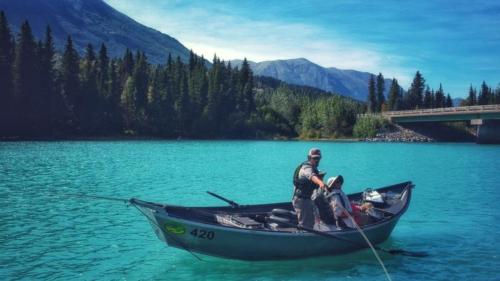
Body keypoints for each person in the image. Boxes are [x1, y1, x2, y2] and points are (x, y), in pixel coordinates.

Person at [292, 148, 327, 229]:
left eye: (318, 158)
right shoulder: (306, 168)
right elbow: (311, 176)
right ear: (309, 158)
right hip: (301, 200)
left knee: (311, 222)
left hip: (307, 199)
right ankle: (304, 239)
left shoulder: (314, 168)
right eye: (314, 158)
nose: (317, 160)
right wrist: (320, 182)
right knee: (305, 225)